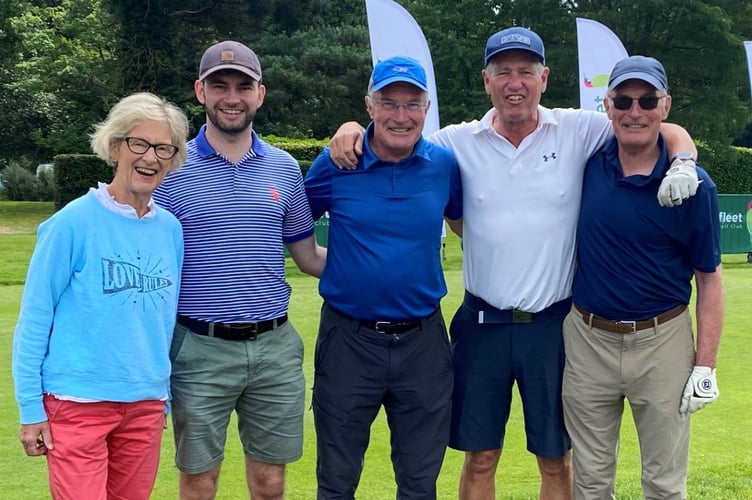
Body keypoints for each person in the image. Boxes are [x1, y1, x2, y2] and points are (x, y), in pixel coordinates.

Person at [328, 27, 699, 500]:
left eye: (526, 71)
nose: (515, 82)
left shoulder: (578, 129)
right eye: (503, 72)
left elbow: (650, 122)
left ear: (545, 78)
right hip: (482, 323)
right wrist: (352, 129)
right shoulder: (455, 142)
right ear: (487, 81)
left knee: (554, 459)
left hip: (553, 326)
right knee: (480, 458)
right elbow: (396, 134)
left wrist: (684, 155)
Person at [152, 40, 326, 500]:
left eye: (243, 86)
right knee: (199, 481)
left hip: (274, 347)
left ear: (260, 94)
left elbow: (308, 257)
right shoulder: (172, 169)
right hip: (198, 349)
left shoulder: (285, 169)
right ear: (200, 92)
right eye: (220, 86)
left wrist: (381, 263)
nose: (232, 96)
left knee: (270, 483)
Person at [12, 91, 189, 500]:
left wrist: (160, 396)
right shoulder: (71, 223)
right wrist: (30, 410)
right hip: (76, 401)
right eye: (138, 143)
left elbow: (162, 322)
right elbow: (35, 319)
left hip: (144, 403)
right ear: (114, 147)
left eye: (164, 148)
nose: (151, 157)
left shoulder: (170, 229)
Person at [562, 55, 723, 500]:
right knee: (590, 484)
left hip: (663, 341)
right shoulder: (586, 161)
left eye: (648, 100)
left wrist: (705, 364)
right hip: (588, 340)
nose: (636, 111)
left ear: (665, 105)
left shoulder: (695, 186)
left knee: (665, 485)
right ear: (608, 105)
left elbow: (709, 279)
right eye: (625, 99)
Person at [305, 56, 462, 499]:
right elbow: (292, 230)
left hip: (423, 343)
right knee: (336, 481)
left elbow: (469, 225)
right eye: (388, 102)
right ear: (369, 106)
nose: (400, 115)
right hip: (348, 340)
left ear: (426, 108)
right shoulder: (336, 163)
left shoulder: (444, 166)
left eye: (412, 104)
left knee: (419, 483)